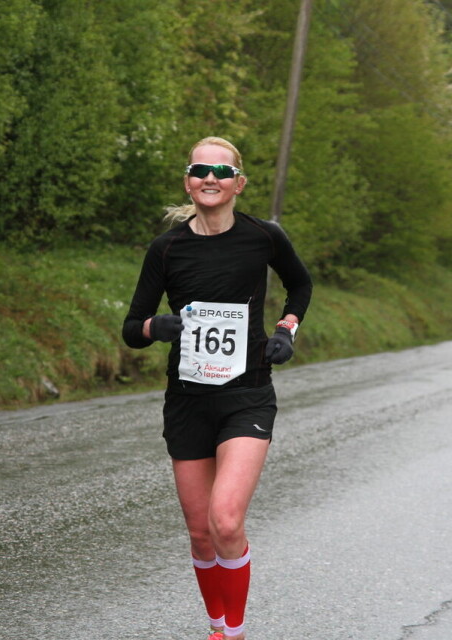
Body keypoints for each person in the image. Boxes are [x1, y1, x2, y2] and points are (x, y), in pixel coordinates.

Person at [122, 136, 312, 640]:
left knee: (225, 520)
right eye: (200, 170)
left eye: (222, 172)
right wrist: (156, 327)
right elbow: (132, 328)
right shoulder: (166, 249)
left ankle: (235, 633)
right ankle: (216, 627)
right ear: (188, 182)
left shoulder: (264, 237)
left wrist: (285, 330)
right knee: (201, 533)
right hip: (187, 399)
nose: (211, 178)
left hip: (247, 393)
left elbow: (300, 285)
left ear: (238, 184)